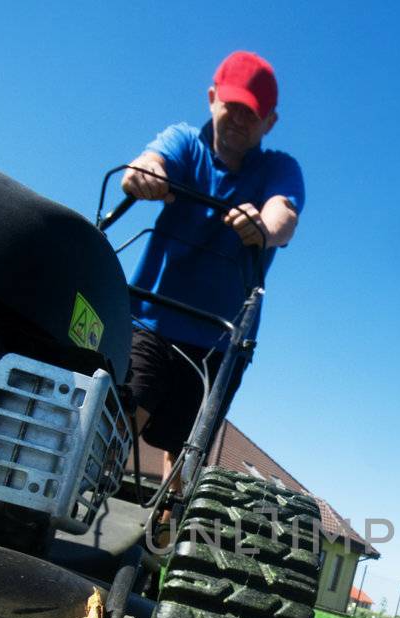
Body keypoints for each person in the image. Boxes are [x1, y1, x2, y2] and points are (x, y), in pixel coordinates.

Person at [120, 50, 304, 480]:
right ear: (212, 98)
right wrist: (144, 174)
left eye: (252, 114)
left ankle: (164, 525)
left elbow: (285, 216)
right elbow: (150, 162)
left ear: (270, 122)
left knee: (184, 448)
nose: (240, 119)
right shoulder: (185, 142)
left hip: (221, 340)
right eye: (232, 106)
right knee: (120, 416)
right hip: (151, 318)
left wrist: (263, 224)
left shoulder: (279, 168)